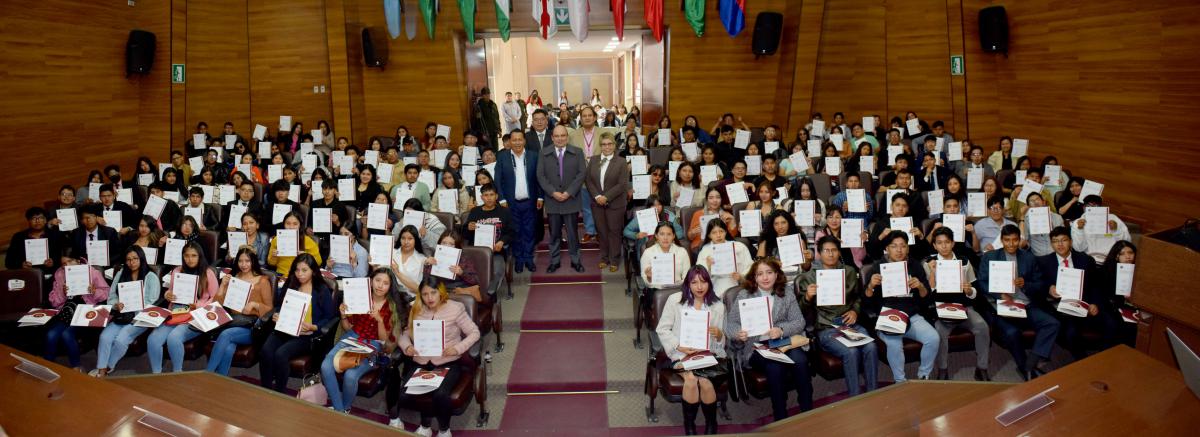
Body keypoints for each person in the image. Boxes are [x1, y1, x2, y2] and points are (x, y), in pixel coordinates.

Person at [390, 279, 480, 435]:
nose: (429, 298)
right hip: (421, 361)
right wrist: (407, 347)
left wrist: (457, 348)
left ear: (441, 292)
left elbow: (474, 333)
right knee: (405, 394)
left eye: (433, 292)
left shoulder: (455, 308)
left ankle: (444, 430)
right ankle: (426, 425)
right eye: (425, 294)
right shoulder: (416, 309)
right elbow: (405, 334)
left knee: (440, 394)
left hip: (448, 361)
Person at [726, 258, 812, 421]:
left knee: (800, 361)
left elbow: (799, 322)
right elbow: (731, 324)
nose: (765, 278)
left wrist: (781, 330)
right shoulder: (745, 295)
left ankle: (807, 408)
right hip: (756, 345)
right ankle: (780, 415)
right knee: (775, 366)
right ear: (754, 277)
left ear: (777, 274)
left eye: (769, 272)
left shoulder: (786, 292)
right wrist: (738, 333)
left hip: (783, 340)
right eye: (760, 274)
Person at [797, 236, 878, 396]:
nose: (831, 254)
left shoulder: (849, 271)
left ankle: (872, 392)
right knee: (851, 352)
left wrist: (855, 311)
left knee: (871, 347)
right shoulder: (809, 277)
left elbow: (857, 298)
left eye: (834, 250)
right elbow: (801, 311)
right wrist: (807, 297)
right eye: (826, 251)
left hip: (849, 324)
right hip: (827, 327)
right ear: (820, 253)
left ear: (839, 252)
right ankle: (855, 396)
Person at [979, 224, 1058, 381]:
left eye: (1015, 240)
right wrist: (999, 294)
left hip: (1025, 304)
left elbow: (1040, 284)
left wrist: (1025, 284)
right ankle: (1024, 367)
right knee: (1012, 333)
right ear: (1002, 240)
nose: (1011, 244)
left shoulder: (1028, 257)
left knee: (1052, 323)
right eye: (1007, 240)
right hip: (1001, 306)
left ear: (1019, 240)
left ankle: (1030, 363)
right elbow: (982, 283)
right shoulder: (990, 257)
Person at [655, 266, 728, 435]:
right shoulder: (675, 300)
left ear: (709, 283)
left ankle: (711, 424)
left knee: (705, 382)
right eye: (694, 282)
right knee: (690, 380)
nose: (699, 287)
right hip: (682, 354)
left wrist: (719, 335)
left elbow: (722, 342)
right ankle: (689, 426)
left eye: (703, 282)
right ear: (688, 284)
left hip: (708, 355)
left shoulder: (718, 306)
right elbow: (662, 329)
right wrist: (678, 345)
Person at [322, 268, 406, 413]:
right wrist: (343, 315)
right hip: (352, 337)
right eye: (377, 280)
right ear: (371, 281)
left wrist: (379, 320)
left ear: (390, 286)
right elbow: (348, 327)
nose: (380, 285)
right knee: (325, 366)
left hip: (374, 344)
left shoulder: (391, 307)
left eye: (385, 283)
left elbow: (383, 340)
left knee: (351, 376)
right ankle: (340, 410)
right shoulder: (360, 297)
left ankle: (343, 409)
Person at [864, 231, 938, 382]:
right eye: (894, 246)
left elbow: (926, 298)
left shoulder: (915, 265)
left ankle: (924, 375)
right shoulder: (877, 267)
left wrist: (920, 287)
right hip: (888, 317)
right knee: (894, 345)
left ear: (908, 248)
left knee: (933, 338)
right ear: (887, 249)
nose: (899, 250)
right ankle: (900, 381)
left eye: (903, 246)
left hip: (911, 316)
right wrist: (871, 286)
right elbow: (866, 301)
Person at [260, 253, 337, 392]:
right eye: (297, 270)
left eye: (304, 270)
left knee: (281, 354)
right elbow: (280, 306)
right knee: (266, 350)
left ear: (313, 271)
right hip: (285, 329)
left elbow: (329, 317)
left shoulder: (321, 290)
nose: (299, 274)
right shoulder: (291, 284)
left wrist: (314, 327)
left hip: (305, 335)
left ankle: (279, 392)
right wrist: (278, 314)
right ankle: (265, 389)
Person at [923, 227, 991, 381]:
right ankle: (943, 369)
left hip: (964, 306)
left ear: (953, 243)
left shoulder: (964, 261)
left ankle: (982, 367)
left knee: (982, 326)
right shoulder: (929, 263)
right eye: (939, 243)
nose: (944, 246)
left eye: (947, 242)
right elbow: (928, 294)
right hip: (941, 309)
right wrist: (933, 272)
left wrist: (969, 290)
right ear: (934, 245)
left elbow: (975, 290)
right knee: (939, 332)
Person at [147, 241, 218, 373]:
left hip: (195, 316)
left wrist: (199, 305)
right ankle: (156, 373)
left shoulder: (208, 273)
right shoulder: (177, 271)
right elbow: (171, 290)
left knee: (173, 338)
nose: (190, 259)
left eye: (194, 255)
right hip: (176, 312)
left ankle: (177, 372)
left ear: (200, 256)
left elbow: (216, 298)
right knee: (152, 340)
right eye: (186, 256)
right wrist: (168, 294)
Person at [91, 246, 160, 377]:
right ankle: (101, 369)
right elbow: (112, 296)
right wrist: (116, 305)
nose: (131, 262)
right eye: (128, 259)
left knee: (121, 340)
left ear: (141, 258)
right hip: (122, 315)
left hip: (140, 318)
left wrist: (136, 306)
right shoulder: (121, 273)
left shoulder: (151, 277)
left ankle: (108, 367)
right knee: (105, 337)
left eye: (135, 258)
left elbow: (153, 301)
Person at [206, 247, 275, 375]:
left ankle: (207, 373)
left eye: (247, 261)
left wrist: (255, 305)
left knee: (226, 335)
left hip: (252, 327)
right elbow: (216, 305)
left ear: (253, 261)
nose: (244, 265)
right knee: (228, 348)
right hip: (234, 322)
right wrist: (222, 286)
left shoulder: (263, 281)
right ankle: (220, 380)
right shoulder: (234, 278)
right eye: (240, 261)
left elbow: (270, 309)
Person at [1033, 226, 1097, 360]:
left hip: (1082, 304)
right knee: (1070, 331)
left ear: (1071, 242)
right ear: (1051, 244)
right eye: (1055, 241)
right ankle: (1083, 360)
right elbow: (1038, 283)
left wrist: (1093, 303)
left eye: (1064, 240)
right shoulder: (1043, 262)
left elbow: (1094, 285)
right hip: (1057, 306)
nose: (1060, 244)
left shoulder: (1086, 260)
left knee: (1108, 323)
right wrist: (1049, 288)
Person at [44, 246, 110, 370]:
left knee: (66, 334)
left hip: (86, 310)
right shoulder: (60, 273)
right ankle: (48, 366)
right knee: (51, 335)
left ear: (78, 261)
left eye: (70, 261)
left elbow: (106, 293)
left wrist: (94, 291)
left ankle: (76, 366)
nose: (67, 266)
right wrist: (63, 292)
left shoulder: (92, 272)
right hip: (67, 310)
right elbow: (53, 302)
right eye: (64, 263)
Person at [536, 125, 586, 273]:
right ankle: (554, 261)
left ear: (567, 137)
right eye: (557, 136)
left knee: (573, 234)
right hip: (553, 201)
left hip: (571, 200)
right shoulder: (543, 153)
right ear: (552, 138)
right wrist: (553, 192)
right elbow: (540, 175)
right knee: (554, 234)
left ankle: (576, 261)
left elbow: (581, 174)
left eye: (563, 135)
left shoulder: (577, 152)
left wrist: (569, 192)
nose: (560, 139)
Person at [493, 130, 542, 273]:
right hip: (510, 203)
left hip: (530, 201)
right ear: (510, 142)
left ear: (524, 141)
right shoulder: (502, 157)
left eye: (520, 139)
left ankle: (529, 258)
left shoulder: (534, 156)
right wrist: (501, 198)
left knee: (529, 231)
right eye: (514, 140)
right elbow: (498, 179)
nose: (517, 142)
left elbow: (539, 178)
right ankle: (519, 259)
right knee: (516, 231)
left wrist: (540, 197)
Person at [585, 132, 630, 272]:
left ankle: (615, 259)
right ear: (600, 146)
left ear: (614, 145)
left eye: (610, 144)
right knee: (602, 231)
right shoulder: (593, 160)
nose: (607, 147)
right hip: (597, 203)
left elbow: (622, 184)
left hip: (615, 204)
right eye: (604, 144)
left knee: (614, 232)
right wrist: (597, 196)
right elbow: (588, 180)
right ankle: (604, 258)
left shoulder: (621, 162)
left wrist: (606, 197)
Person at [462, 184, 516, 295]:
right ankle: (476, 292)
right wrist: (468, 228)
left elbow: (512, 232)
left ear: (496, 196)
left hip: (496, 251)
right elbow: (465, 235)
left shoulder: (504, 212)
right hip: (476, 252)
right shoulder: (475, 211)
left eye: (491, 195)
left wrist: (502, 241)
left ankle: (489, 294)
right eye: (486, 195)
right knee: (469, 271)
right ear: (481, 197)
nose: (489, 198)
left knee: (497, 270)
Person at [1087, 241, 1138, 348]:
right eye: (1122, 254)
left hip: (1133, 308)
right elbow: (1099, 294)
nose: (1127, 256)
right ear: (1116, 256)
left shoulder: (1141, 271)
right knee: (1114, 324)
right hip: (1110, 306)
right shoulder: (1106, 271)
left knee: (1134, 327)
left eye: (1130, 253)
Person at [695, 220, 753, 298]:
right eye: (714, 233)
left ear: (726, 232)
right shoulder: (705, 251)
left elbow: (749, 267)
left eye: (721, 231)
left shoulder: (739, 247)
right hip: (716, 284)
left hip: (738, 283)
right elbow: (699, 276)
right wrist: (708, 268)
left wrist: (741, 277)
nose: (718, 235)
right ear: (709, 235)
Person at [1069, 195, 1131, 263]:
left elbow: (1126, 243)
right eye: (1089, 206)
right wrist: (1080, 230)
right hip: (1089, 259)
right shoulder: (1078, 223)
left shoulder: (1113, 218)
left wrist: (1116, 230)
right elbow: (1079, 248)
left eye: (1096, 206)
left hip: (1111, 258)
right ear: (1084, 207)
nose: (1093, 208)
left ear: (1101, 207)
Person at [7, 207, 65, 276]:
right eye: (33, 218)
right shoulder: (18, 237)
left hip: (50, 274)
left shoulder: (55, 235)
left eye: (41, 218)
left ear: (45, 220)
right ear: (28, 221)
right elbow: (9, 262)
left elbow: (61, 257)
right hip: (27, 274)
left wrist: (53, 262)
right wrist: (21, 264)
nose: (37, 221)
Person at [267, 212, 323, 276]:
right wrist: (274, 256)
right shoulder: (276, 239)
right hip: (281, 274)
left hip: (301, 276)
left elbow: (318, 262)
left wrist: (306, 256)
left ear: (300, 225)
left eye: (295, 224)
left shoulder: (308, 241)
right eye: (288, 223)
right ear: (284, 224)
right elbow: (271, 263)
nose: (291, 227)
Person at [640, 222, 692, 287]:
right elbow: (645, 282)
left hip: (677, 289)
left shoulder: (682, 252)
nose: (665, 238)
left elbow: (687, 277)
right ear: (656, 236)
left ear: (673, 236)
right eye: (662, 234)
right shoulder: (648, 253)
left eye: (669, 234)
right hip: (656, 290)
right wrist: (649, 278)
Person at [1019, 192, 1064, 256]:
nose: (1035, 202)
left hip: (1056, 253)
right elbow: (1023, 241)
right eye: (1032, 201)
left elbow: (1063, 237)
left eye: (1037, 199)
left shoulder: (1057, 217)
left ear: (1043, 202)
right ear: (1028, 206)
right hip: (1038, 255)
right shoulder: (1026, 220)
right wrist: (1022, 216)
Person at [389, 225, 427, 300]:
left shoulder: (422, 259)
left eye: (410, 238)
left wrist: (397, 273)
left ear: (416, 240)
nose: (406, 242)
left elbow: (419, 289)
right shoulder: (391, 253)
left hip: (410, 299)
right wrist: (374, 265)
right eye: (403, 238)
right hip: (389, 296)